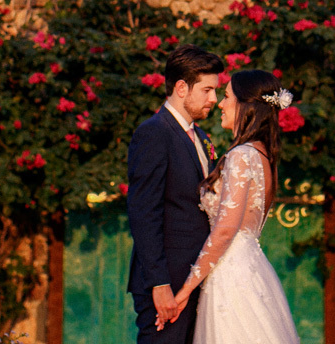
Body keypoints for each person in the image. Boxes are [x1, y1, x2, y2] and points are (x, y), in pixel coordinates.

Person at [169, 69, 300, 344]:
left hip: (231, 276)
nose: (220, 103)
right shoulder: (264, 156)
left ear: (245, 104)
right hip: (250, 267)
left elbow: (226, 230)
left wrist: (184, 292)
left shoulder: (242, 156)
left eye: (227, 96)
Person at [127, 44, 225, 344]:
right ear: (181, 88)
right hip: (167, 283)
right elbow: (144, 212)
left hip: (196, 280)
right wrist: (160, 283)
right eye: (207, 89)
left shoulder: (202, 137)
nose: (214, 99)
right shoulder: (154, 133)